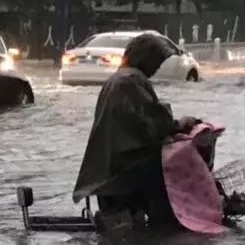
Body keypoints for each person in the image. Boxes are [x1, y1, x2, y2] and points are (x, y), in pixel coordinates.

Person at [72, 32, 198, 227]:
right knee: (167, 213)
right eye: (156, 61)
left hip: (110, 167)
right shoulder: (131, 80)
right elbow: (152, 124)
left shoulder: (119, 78)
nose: (157, 67)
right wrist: (177, 125)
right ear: (146, 58)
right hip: (126, 171)